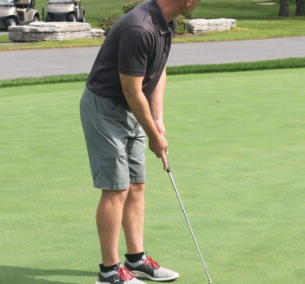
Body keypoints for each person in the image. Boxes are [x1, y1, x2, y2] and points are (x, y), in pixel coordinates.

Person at [80, 0, 201, 283]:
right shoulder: (140, 27)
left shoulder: (165, 21)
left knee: (136, 185)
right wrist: (154, 136)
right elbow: (131, 90)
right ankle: (109, 272)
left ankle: (136, 260)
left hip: (132, 108)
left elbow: (157, 71)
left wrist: (158, 120)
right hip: (106, 109)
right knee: (116, 188)